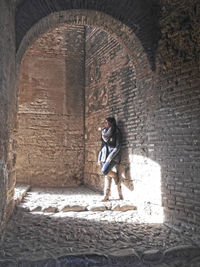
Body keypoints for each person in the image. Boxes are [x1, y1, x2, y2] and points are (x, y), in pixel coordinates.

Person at [98, 117, 123, 201]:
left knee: (104, 171)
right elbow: (102, 146)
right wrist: (99, 157)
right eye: (105, 122)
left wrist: (110, 157)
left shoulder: (116, 132)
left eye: (107, 122)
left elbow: (118, 146)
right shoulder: (104, 132)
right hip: (104, 155)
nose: (105, 124)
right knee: (107, 176)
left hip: (113, 156)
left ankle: (116, 175)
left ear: (111, 123)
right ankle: (106, 195)